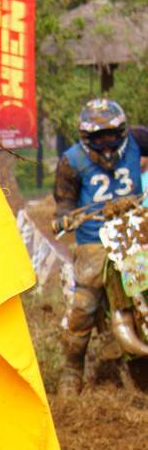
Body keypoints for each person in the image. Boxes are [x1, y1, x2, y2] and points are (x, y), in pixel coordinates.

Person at [53, 98, 143, 396]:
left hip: (137, 232)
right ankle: (71, 370)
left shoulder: (138, 140)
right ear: (86, 137)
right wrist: (64, 217)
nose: (106, 143)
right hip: (95, 239)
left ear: (122, 131)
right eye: (98, 137)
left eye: (111, 134)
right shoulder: (72, 160)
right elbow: (64, 201)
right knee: (84, 305)